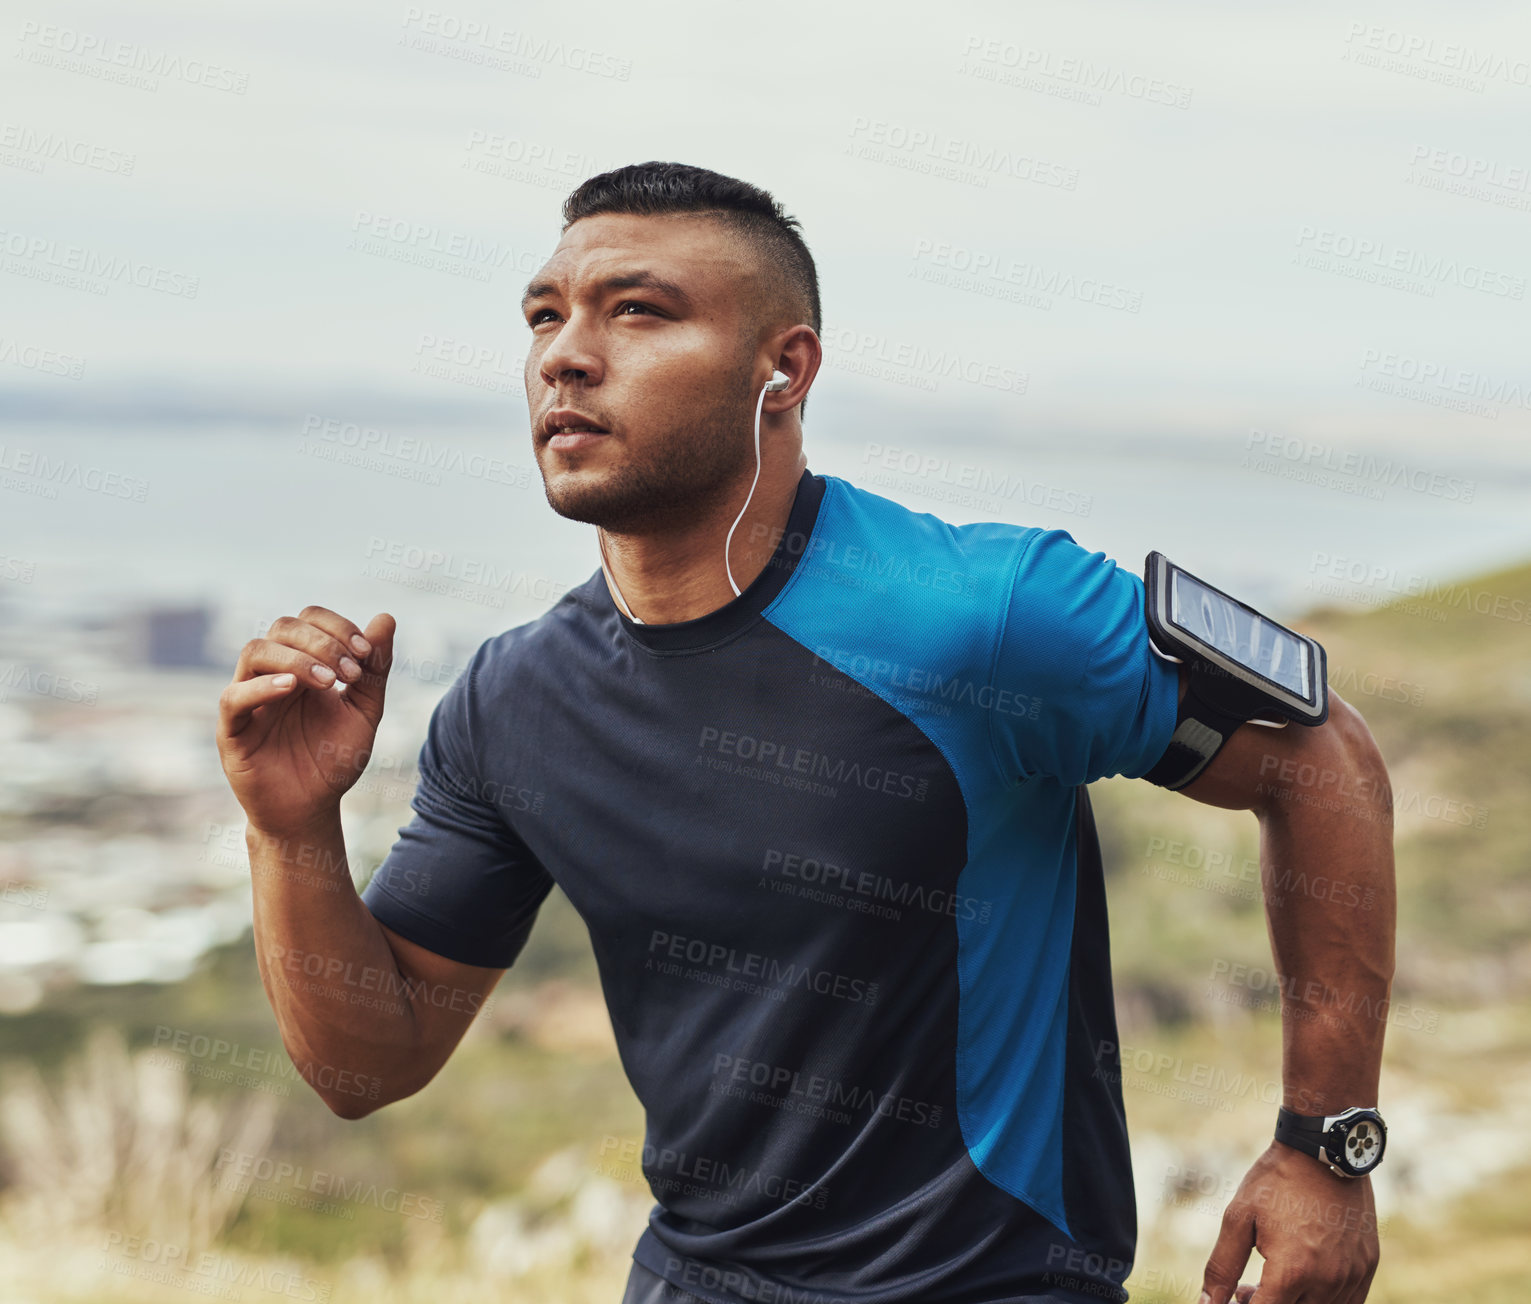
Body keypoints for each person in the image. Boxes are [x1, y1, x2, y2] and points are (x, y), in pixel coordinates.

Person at [216, 162, 1395, 1304]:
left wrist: (1321, 1149)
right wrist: (288, 825)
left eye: (637, 312)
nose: (565, 354)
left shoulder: (984, 611)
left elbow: (1319, 757)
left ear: (782, 370)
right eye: (544, 314)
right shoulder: (511, 699)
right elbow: (371, 1059)